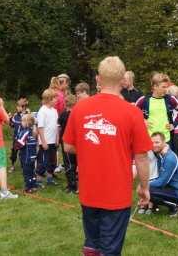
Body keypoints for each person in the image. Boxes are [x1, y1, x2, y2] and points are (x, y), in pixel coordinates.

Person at [63, 56, 151, 256]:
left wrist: (91, 148)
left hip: (89, 190)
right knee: (109, 249)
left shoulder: (80, 108)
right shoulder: (132, 112)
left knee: (92, 243)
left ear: (98, 79)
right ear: (122, 80)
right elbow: (142, 157)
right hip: (116, 194)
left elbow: (68, 146)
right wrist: (145, 187)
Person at [135, 73, 178, 152]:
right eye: (163, 87)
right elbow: (132, 112)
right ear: (155, 86)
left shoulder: (170, 99)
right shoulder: (144, 99)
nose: (166, 89)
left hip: (166, 140)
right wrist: (142, 120)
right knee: (150, 164)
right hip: (149, 139)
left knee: (166, 163)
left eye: (167, 87)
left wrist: (174, 124)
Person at [148, 132, 178, 217]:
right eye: (152, 142)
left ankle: (177, 206)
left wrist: (145, 184)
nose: (154, 145)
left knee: (147, 189)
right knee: (148, 188)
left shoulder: (169, 158)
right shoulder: (161, 154)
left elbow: (162, 182)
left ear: (164, 142)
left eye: (157, 142)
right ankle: (155, 206)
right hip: (171, 188)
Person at [36, 89, 59, 186]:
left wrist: (57, 138)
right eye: (55, 98)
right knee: (43, 161)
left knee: (52, 161)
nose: (56, 100)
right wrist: (43, 141)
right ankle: (38, 180)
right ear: (49, 99)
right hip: (45, 141)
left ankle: (50, 179)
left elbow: (57, 126)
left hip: (53, 141)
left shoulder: (54, 111)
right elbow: (40, 127)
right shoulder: (42, 111)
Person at [58, 94, 78, 193]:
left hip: (67, 142)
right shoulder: (76, 113)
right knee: (75, 163)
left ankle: (72, 186)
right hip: (74, 141)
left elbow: (59, 128)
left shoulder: (64, 114)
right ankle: (74, 185)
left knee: (69, 163)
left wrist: (58, 139)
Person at [15, 113, 38, 193]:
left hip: (26, 156)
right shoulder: (33, 132)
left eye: (22, 121)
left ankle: (28, 187)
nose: (21, 122)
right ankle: (34, 185)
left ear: (26, 122)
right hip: (33, 156)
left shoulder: (25, 132)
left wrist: (16, 147)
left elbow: (19, 144)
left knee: (26, 172)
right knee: (32, 171)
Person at [9, 97, 30, 172]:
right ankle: (12, 165)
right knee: (14, 152)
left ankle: (23, 165)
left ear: (24, 107)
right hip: (16, 138)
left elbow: (30, 124)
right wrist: (10, 119)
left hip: (24, 139)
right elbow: (12, 125)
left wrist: (28, 114)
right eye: (17, 106)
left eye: (19, 106)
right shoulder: (15, 115)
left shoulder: (28, 115)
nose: (17, 108)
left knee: (23, 153)